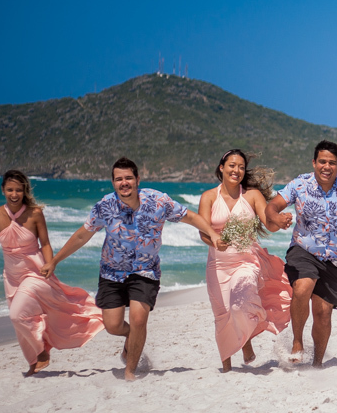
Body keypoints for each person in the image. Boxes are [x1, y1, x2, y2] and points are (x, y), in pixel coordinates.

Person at [41, 157, 221, 380]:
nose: (124, 183)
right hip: (111, 273)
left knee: (138, 319)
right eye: (118, 179)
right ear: (113, 182)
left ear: (137, 179)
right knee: (113, 326)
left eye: (128, 178)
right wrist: (55, 260)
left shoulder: (158, 201)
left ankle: (130, 371)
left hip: (145, 271)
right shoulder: (105, 206)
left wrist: (212, 233)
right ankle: (134, 338)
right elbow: (81, 235)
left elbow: (190, 216)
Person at [0, 170, 104, 376]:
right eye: (10, 190)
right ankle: (34, 362)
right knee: (20, 322)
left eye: (18, 190)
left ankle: (42, 351)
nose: (14, 194)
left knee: (17, 315)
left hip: (35, 272)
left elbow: (44, 243)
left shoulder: (35, 213)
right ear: (3, 190)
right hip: (12, 277)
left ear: (24, 190)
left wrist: (50, 263)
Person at [265, 140, 337, 367]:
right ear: (314, 162)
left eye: (332, 163)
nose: (327, 167)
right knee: (303, 286)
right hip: (303, 249)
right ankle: (298, 342)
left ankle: (317, 363)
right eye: (322, 162)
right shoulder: (300, 184)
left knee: (323, 312)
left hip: (334, 258)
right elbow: (272, 206)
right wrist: (277, 218)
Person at [196, 149, 292, 372]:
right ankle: (227, 367)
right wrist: (214, 241)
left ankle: (246, 338)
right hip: (217, 265)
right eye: (231, 165)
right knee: (222, 314)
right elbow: (202, 231)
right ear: (221, 168)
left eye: (240, 167)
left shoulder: (252, 195)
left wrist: (280, 221)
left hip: (246, 261)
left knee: (241, 301)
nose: (236, 170)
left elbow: (268, 223)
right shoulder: (209, 197)